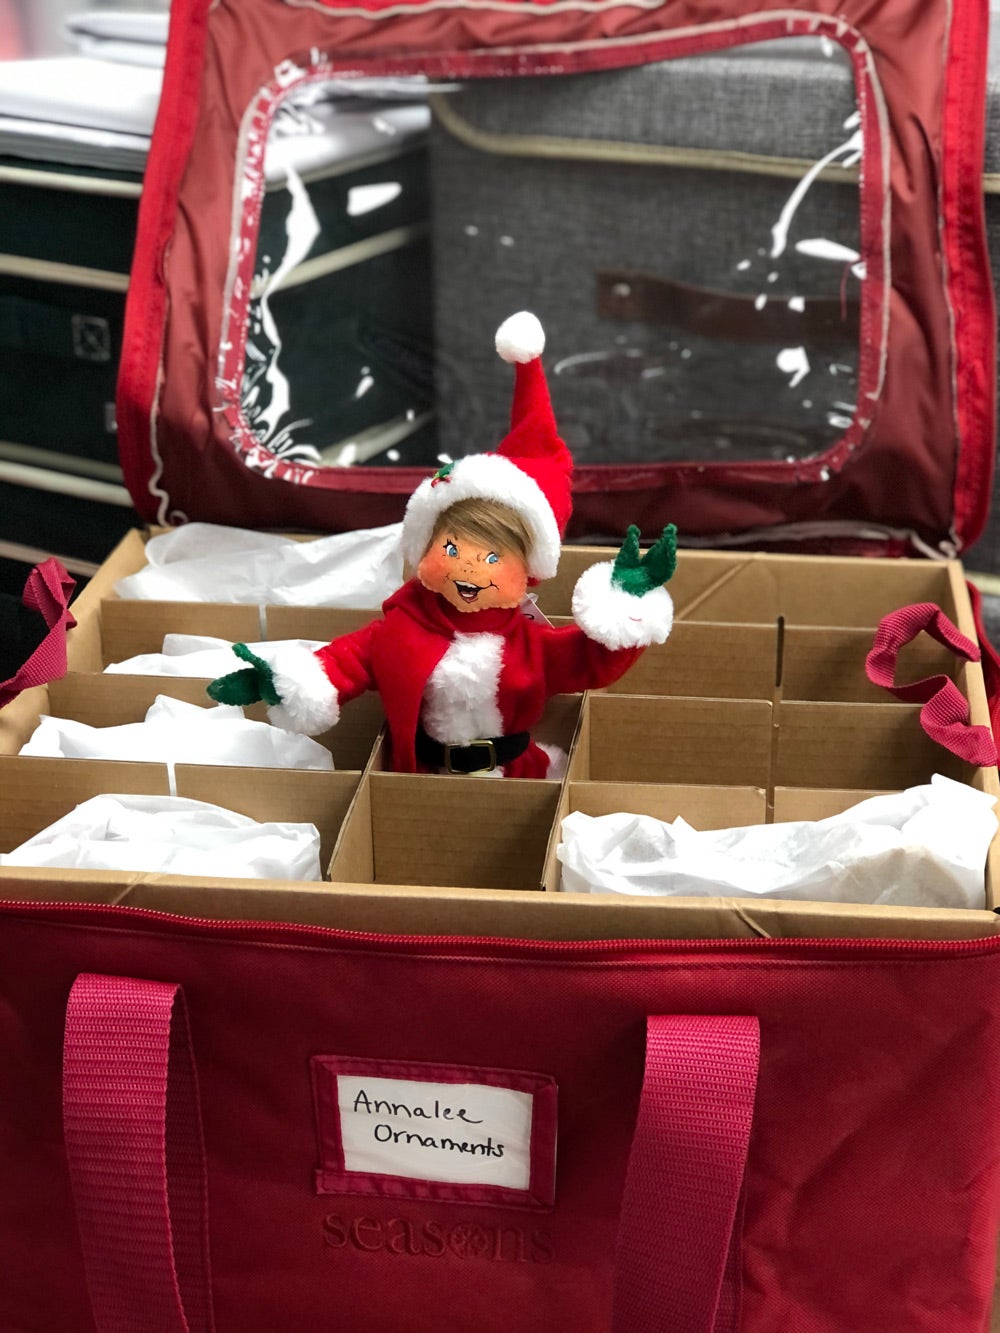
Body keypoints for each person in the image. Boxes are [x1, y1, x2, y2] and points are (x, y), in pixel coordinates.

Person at [208, 312, 677, 777]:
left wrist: (626, 609)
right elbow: (345, 662)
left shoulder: (532, 647)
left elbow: (591, 660)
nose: (468, 569)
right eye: (452, 549)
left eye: (492, 557)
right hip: (421, 777)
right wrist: (292, 682)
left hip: (518, 778)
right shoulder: (399, 630)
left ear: (527, 571)